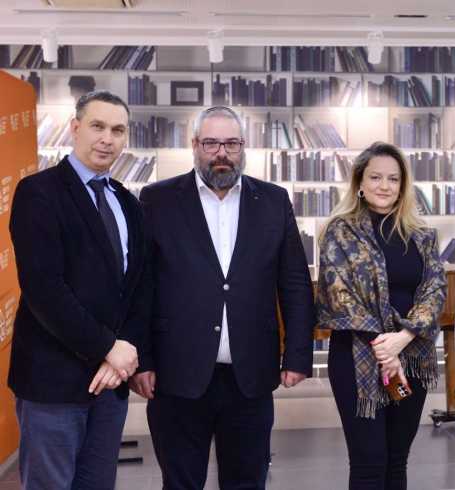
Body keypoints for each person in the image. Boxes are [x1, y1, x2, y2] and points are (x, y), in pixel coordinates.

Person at [129, 106, 315, 489]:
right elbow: (141, 287)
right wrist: (141, 360)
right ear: (194, 145)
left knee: (247, 482)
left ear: (243, 146)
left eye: (231, 143)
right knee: (180, 483)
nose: (221, 153)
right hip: (176, 375)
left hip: (250, 375)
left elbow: (295, 283)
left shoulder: (273, 201)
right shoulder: (157, 200)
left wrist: (297, 355)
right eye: (211, 143)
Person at [8, 90, 146, 489]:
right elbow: (45, 289)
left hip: (111, 384)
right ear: (75, 128)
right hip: (53, 383)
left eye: (117, 130)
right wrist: (108, 348)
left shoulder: (127, 202)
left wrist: (122, 355)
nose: (107, 139)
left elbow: (138, 288)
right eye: (97, 126)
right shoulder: (38, 192)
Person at [316, 142, 446, 490]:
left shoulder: (421, 236)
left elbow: (435, 289)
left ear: (403, 185)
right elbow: (338, 295)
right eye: (375, 177)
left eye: (393, 178)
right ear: (359, 181)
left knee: (396, 460)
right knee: (368, 461)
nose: (384, 186)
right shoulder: (339, 231)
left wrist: (403, 338)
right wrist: (385, 348)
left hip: (412, 356)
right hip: (356, 357)